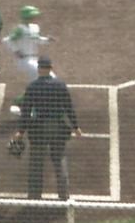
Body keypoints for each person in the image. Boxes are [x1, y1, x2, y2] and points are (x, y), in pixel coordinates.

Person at [11, 56, 83, 200]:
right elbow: (69, 107)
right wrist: (76, 127)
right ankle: (64, 196)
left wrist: (20, 131)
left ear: (39, 69)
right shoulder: (60, 85)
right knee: (59, 160)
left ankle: (34, 196)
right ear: (50, 68)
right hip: (58, 128)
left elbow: (26, 111)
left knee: (36, 163)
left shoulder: (33, 86)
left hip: (39, 129)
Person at [2, 5, 54, 85]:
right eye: (33, 16)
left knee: (38, 80)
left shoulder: (34, 27)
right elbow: (6, 40)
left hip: (34, 58)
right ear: (27, 16)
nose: (35, 17)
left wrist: (47, 40)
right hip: (25, 60)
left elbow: (37, 39)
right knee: (49, 76)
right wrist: (16, 51)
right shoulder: (19, 29)